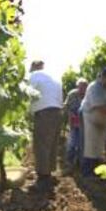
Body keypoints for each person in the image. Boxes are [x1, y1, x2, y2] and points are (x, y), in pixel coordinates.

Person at [29, 60, 63, 191]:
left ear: (34, 67)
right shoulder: (52, 76)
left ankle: (43, 178)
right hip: (58, 111)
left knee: (41, 144)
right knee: (52, 143)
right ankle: (49, 172)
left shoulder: (34, 75)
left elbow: (27, 93)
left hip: (45, 112)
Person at [63, 78, 88, 173]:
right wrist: (71, 118)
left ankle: (80, 164)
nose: (82, 90)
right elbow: (67, 107)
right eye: (80, 87)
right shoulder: (72, 94)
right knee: (72, 143)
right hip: (73, 121)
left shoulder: (89, 95)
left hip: (85, 123)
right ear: (77, 87)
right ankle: (69, 164)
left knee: (83, 144)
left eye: (84, 87)